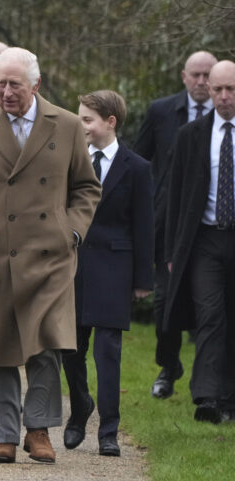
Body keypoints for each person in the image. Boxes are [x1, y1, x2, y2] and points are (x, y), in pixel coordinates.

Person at [0, 47, 101, 464]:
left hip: (51, 255)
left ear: (36, 85)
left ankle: (38, 429)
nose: (6, 92)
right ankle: (5, 434)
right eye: (0, 84)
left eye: (14, 85)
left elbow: (86, 187)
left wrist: (72, 230)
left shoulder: (66, 125)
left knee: (46, 343)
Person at [62, 90, 153, 457]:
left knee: (108, 353)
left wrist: (143, 281)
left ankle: (109, 431)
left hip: (115, 267)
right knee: (70, 347)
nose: (80, 125)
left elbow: (144, 226)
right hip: (74, 266)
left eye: (87, 119)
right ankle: (81, 406)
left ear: (110, 122)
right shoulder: (70, 161)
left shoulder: (137, 168)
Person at [133, 51, 218, 399]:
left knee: (212, 308)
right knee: (165, 304)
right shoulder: (161, 112)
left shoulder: (226, 114)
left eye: (207, 76)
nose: (201, 82)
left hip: (210, 227)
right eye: (195, 75)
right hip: (168, 226)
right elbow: (138, 161)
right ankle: (169, 367)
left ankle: (212, 380)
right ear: (184, 76)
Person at [165, 60, 235, 424]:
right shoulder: (191, 135)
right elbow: (175, 197)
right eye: (218, 89)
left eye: (231, 89)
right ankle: (207, 397)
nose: (224, 97)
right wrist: (172, 252)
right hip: (204, 239)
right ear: (208, 91)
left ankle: (229, 396)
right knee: (209, 315)